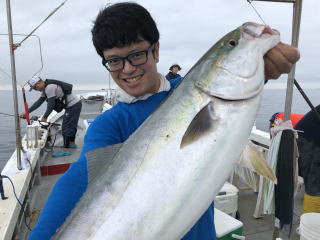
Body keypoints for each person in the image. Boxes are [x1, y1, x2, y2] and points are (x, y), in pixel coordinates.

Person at [28, 2, 300, 239]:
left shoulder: (192, 91)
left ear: (156, 50)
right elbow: (77, 182)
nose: (128, 69)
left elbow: (222, 95)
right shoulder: (109, 124)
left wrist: (260, 66)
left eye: (136, 54)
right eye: (114, 61)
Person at [20, 76, 82, 158]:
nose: (36, 89)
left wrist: (45, 117)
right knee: (71, 125)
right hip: (74, 105)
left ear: (39, 83)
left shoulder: (49, 88)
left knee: (66, 127)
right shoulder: (46, 89)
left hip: (73, 106)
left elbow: (51, 104)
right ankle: (72, 144)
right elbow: (38, 102)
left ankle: (65, 150)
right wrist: (27, 112)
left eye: (35, 87)